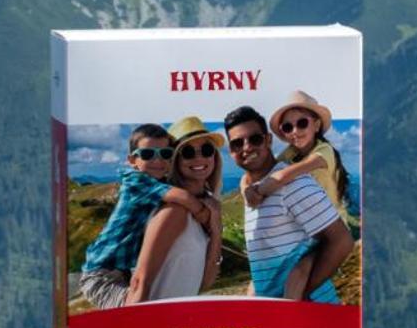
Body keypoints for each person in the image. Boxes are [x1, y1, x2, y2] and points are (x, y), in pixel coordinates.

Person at [73, 123, 220, 310]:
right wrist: (205, 213)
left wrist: (215, 228)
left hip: (121, 272)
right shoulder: (138, 181)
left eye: (165, 154)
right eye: (148, 154)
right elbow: (182, 197)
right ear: (132, 160)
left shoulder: (160, 186)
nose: (157, 161)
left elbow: (203, 281)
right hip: (102, 274)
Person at [223, 105, 353, 303]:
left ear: (268, 140)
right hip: (282, 320)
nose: (246, 147)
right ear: (231, 151)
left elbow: (342, 241)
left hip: (310, 315)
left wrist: (297, 298)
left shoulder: (293, 183)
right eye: (237, 144)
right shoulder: (254, 192)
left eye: (255, 139)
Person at [126, 116, 225, 304]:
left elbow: (204, 283)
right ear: (174, 159)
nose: (199, 158)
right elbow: (140, 283)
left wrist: (216, 229)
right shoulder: (174, 211)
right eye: (188, 152)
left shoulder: (206, 209)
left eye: (206, 149)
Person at [245, 90, 353, 218]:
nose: (295, 131)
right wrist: (246, 189)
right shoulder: (291, 152)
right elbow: (257, 174)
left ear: (316, 125)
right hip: (309, 224)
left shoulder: (324, 151)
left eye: (302, 123)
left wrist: (258, 191)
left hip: (333, 225)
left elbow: (283, 176)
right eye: (287, 127)